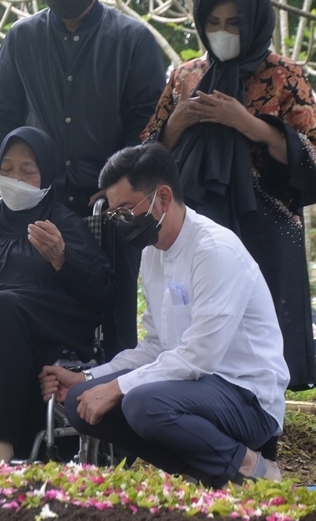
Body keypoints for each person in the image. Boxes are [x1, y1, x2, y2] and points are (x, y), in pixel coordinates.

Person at [39, 143, 289, 487]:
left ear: (164, 198)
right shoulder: (153, 255)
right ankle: (201, 473)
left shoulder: (213, 250)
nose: (121, 221)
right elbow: (155, 346)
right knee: (81, 406)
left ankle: (255, 468)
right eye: (115, 213)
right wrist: (87, 378)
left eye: (127, 209)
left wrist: (116, 386)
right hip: (194, 388)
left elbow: (200, 356)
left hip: (246, 395)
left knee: (143, 402)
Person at [140, 0, 316, 392]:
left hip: (264, 221)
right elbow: (149, 149)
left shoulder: (285, 76)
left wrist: (247, 123)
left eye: (234, 23)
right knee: (198, 323)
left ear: (255, 21)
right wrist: (178, 124)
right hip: (199, 217)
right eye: (213, 23)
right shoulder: (186, 76)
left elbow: (311, 150)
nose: (222, 33)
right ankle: (194, 419)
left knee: (261, 333)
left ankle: (261, 438)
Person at [0, 0, 167, 359]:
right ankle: (41, 399)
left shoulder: (132, 39)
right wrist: (17, 175)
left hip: (110, 203)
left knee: (115, 305)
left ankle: (114, 406)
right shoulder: (22, 38)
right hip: (41, 201)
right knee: (35, 298)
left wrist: (118, 184)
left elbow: (147, 123)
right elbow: (0, 118)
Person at [0, 127, 114, 461]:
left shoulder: (62, 223)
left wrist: (61, 258)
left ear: (46, 175)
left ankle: (0, 437)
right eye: (7, 169)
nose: (15, 178)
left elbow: (101, 291)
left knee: (0, 304)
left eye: (27, 171)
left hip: (45, 326)